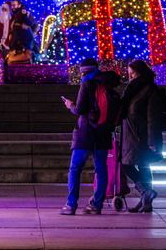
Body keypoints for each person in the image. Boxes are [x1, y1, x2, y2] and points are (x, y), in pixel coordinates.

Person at [60, 58, 111, 215]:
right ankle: (97, 204)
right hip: (103, 132)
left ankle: (71, 204)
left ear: (83, 71)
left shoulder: (86, 83)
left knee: (75, 168)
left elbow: (80, 109)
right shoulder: (107, 83)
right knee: (101, 169)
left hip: (85, 133)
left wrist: (70, 105)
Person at [121, 59, 163, 213]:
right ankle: (146, 199)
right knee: (137, 165)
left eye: (133, 72)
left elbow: (153, 118)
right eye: (129, 72)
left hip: (141, 136)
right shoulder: (132, 89)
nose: (130, 75)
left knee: (129, 165)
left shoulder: (150, 89)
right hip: (130, 135)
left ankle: (146, 194)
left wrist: (153, 141)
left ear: (140, 72)